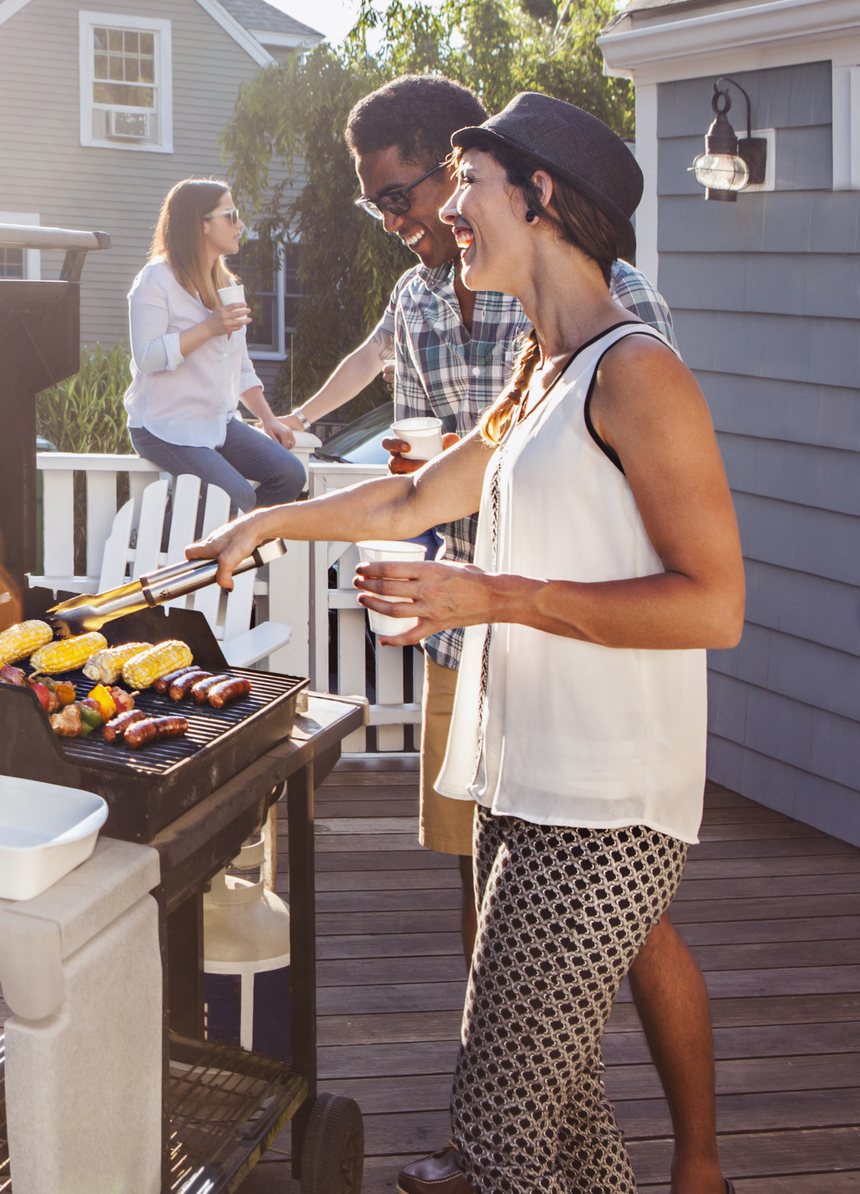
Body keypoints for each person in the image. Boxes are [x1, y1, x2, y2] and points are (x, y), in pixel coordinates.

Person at [195, 94, 743, 1194]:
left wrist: (490, 593)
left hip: (605, 810)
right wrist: (265, 523)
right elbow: (409, 502)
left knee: (496, 1137)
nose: (450, 212)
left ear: (539, 196)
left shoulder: (638, 373)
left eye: (469, 182)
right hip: (519, 788)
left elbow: (712, 604)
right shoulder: (542, 376)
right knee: (573, 1132)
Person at [123, 178, 306, 514]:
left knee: (290, 475)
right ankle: (158, 537)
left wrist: (268, 418)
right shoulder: (155, 279)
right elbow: (147, 358)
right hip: (164, 426)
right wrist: (208, 327)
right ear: (200, 223)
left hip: (216, 423)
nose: (241, 225)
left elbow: (239, 365)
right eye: (231, 216)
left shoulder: (227, 285)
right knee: (237, 496)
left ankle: (231, 549)